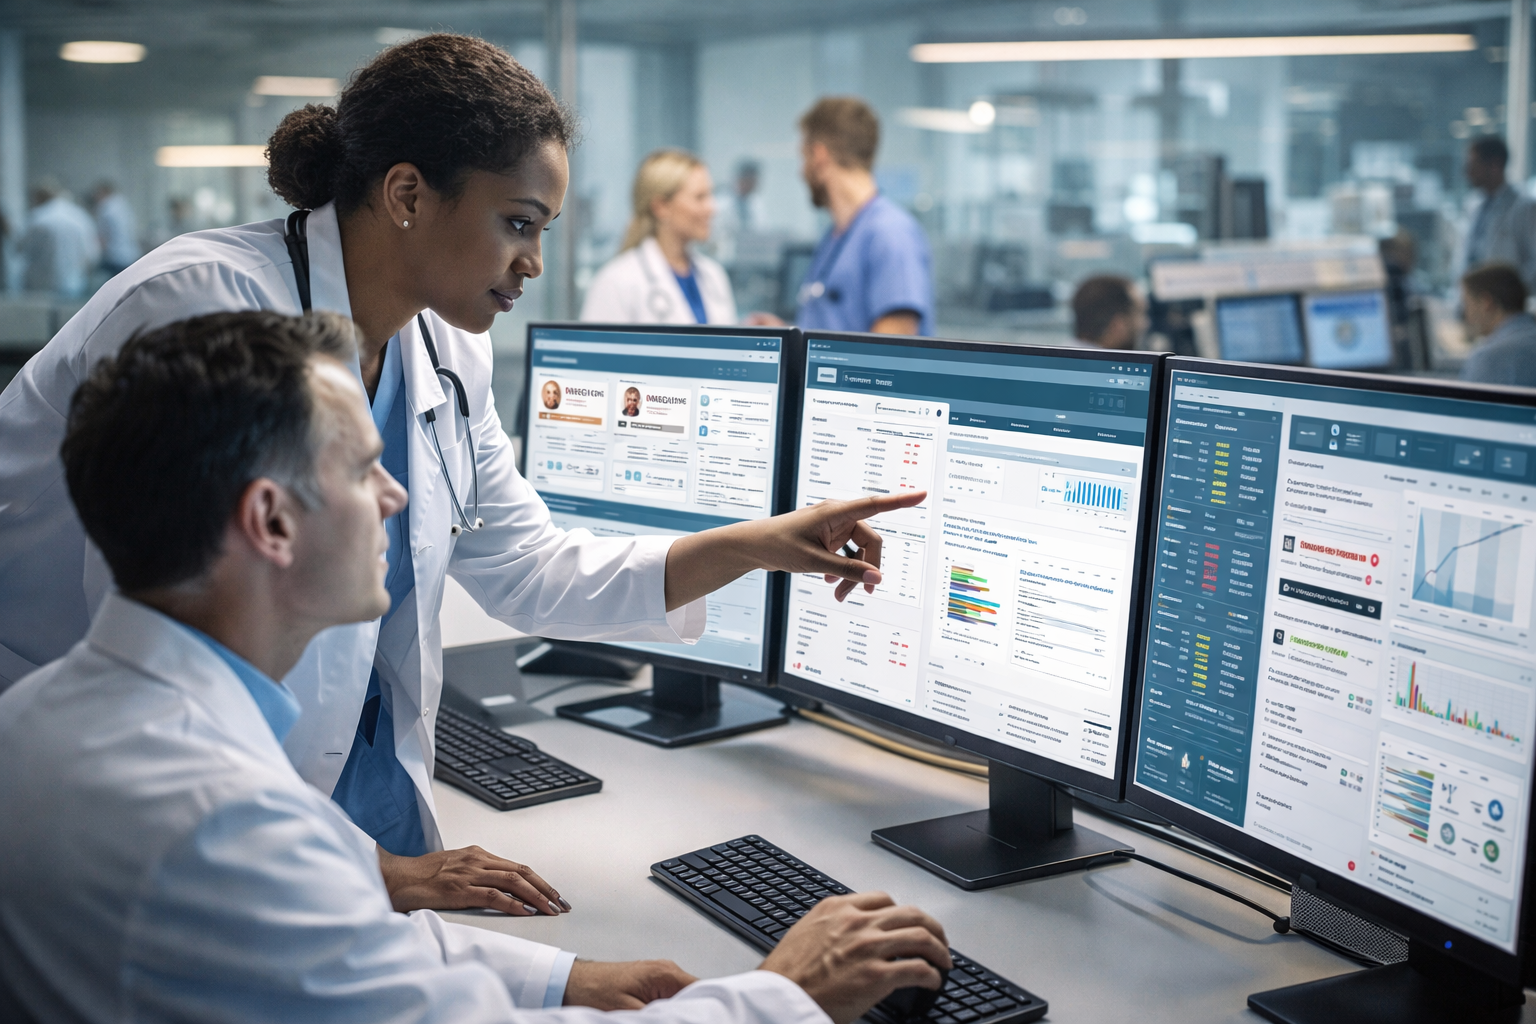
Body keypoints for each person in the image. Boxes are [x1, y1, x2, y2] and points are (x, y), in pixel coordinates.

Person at [0, 34, 903, 915]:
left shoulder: (441, 348)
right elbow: (167, 664)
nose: (534, 264)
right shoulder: (204, 310)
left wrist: (748, 548)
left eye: (543, 232)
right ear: (406, 194)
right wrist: (371, 874)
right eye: (517, 224)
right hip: (118, 812)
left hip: (328, 789)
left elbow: (528, 568)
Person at [0, 309, 951, 1022]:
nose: (398, 495)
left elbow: (349, 946)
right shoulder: (219, 820)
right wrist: (787, 993)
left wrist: (573, 979)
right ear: (271, 521)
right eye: (365, 467)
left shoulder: (51, 715)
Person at [794, 97, 933, 337]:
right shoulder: (837, 236)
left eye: (803, 158)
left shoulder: (890, 233)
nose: (801, 171)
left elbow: (892, 351)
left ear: (819, 155)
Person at [581, 149, 736, 325]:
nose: (712, 208)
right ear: (661, 206)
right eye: (700, 197)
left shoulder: (713, 275)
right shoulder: (615, 282)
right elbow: (598, 351)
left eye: (710, 195)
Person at [1461, 137, 1536, 292]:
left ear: (1495, 165)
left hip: (1506, 305)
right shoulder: (1473, 205)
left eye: (1473, 164)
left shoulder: (1524, 207)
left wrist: (1512, 295)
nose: (1468, 171)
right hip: (1475, 301)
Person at [20, 177, 100, 298]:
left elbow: (23, 249)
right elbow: (93, 254)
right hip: (74, 284)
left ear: (39, 197)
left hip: (41, 287)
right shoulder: (80, 216)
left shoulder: (38, 217)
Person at [1460, 263, 1536, 386]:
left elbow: (1464, 405)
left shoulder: (1488, 359)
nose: (1465, 315)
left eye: (1467, 304)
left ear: (1486, 303)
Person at [1068, 275, 1145, 349]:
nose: (1145, 324)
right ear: (1117, 324)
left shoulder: (1060, 357)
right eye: (1140, 314)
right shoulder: (1109, 361)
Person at [92, 180, 142, 276]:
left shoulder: (105, 208)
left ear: (103, 192)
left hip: (115, 258)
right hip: (132, 256)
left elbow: (102, 238)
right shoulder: (123, 205)